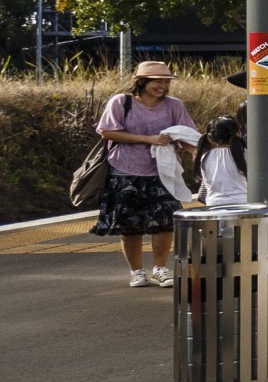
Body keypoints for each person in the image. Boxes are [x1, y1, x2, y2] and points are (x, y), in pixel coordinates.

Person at [93, 60, 192, 287]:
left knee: (165, 222)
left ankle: (160, 268)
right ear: (141, 81)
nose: (163, 86)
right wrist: (148, 139)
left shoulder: (174, 105)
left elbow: (187, 134)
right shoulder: (121, 102)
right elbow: (107, 132)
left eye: (166, 82)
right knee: (130, 225)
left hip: (163, 172)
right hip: (124, 170)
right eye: (157, 81)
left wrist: (199, 155)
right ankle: (136, 271)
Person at [198, 115, 248, 207]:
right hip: (242, 203)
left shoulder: (206, 156)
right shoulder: (244, 153)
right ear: (238, 133)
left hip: (214, 204)